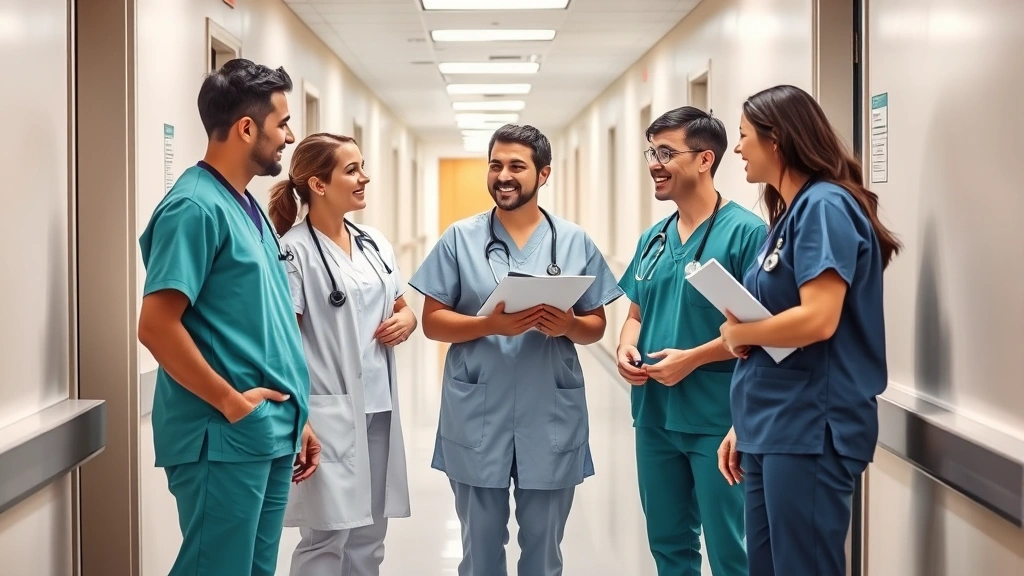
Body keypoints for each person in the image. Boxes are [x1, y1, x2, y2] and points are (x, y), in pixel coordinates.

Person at [407, 123, 623, 576]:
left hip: (550, 413)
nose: (503, 176)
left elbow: (596, 326)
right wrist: (487, 324)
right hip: (478, 411)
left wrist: (569, 324)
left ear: (543, 174)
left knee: (544, 555)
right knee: (480, 553)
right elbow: (432, 322)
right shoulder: (460, 238)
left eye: (516, 166)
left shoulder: (574, 240)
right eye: (495, 165)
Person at [137, 58, 321, 576]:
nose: (289, 137)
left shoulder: (245, 204)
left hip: (267, 429)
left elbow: (261, 321)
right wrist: (234, 405)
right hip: (222, 433)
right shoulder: (194, 207)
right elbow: (155, 326)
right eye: (282, 123)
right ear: (246, 128)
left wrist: (298, 418)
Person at [717, 84, 901, 576]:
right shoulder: (788, 214)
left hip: (810, 427)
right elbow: (780, 323)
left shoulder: (825, 206)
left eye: (744, 136)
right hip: (772, 425)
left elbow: (819, 319)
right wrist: (744, 425)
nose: (738, 149)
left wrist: (741, 335)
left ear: (776, 139)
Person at [616, 106, 766, 576]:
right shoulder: (654, 238)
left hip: (717, 418)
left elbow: (760, 330)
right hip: (655, 416)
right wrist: (625, 346)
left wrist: (692, 359)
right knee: (668, 546)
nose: (654, 164)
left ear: (705, 159)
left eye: (666, 153)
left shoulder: (747, 234)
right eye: (651, 153)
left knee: (730, 552)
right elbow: (636, 313)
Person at [266, 133, 415, 576]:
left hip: (378, 406)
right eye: (352, 170)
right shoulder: (292, 251)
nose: (364, 177)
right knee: (326, 537)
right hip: (326, 411)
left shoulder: (373, 242)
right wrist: (298, 417)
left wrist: (407, 321)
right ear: (318, 184)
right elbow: (282, 342)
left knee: (370, 535)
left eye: (362, 166)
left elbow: (402, 306)